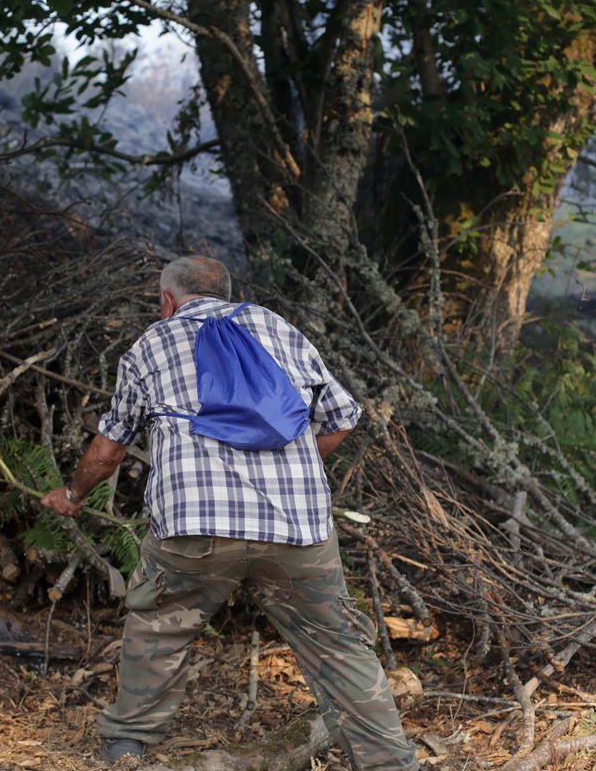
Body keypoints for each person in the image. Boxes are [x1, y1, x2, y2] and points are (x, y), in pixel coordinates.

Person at [43, 255, 422, 770]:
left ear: (167, 301)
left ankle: (127, 742)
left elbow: (107, 453)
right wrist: (298, 473)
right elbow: (342, 418)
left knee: (158, 627)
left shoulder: (151, 343)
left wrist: (73, 495)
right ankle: (389, 763)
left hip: (196, 530)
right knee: (337, 645)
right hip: (298, 532)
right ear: (225, 291)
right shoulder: (278, 328)